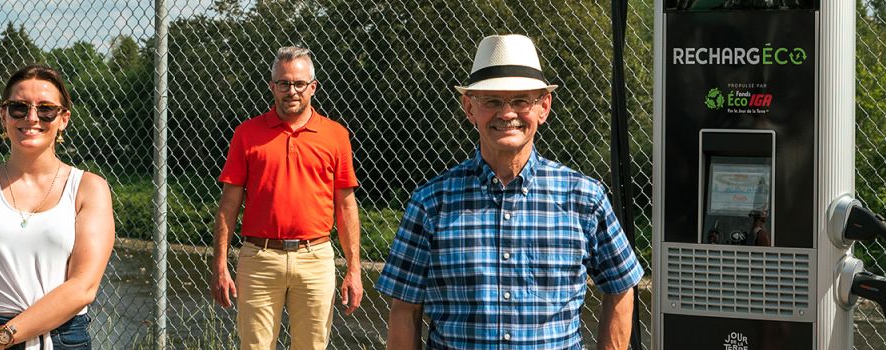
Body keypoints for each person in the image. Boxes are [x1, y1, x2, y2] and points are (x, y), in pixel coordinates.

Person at [378, 34, 645, 350]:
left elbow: (622, 286)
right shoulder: (431, 203)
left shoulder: (583, 199)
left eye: (521, 100)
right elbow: (405, 308)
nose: (507, 114)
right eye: (492, 101)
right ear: (469, 108)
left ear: (543, 107)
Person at [0, 64, 117, 350]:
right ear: (3, 115)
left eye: (46, 109)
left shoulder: (89, 189)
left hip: (61, 338)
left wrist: (1, 338)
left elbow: (83, 287)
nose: (32, 118)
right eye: (19, 107)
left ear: (63, 118)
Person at [209, 45, 363, 350]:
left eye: (299, 83)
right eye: (283, 83)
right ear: (272, 86)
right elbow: (228, 207)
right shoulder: (246, 134)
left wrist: (354, 269)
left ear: (313, 87)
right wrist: (220, 266)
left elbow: (346, 207)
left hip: (315, 257)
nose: (291, 90)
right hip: (259, 259)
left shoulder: (336, 135)